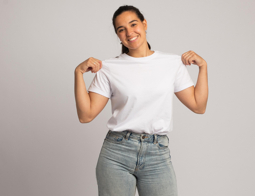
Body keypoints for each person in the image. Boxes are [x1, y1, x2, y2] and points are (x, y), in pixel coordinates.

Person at [74, 5, 208, 196]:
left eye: (133, 24)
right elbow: (85, 116)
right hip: (117, 153)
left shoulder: (171, 64)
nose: (129, 32)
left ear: (144, 24)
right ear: (118, 36)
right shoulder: (109, 68)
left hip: (157, 153)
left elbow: (198, 106)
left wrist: (203, 67)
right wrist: (78, 73)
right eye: (121, 29)